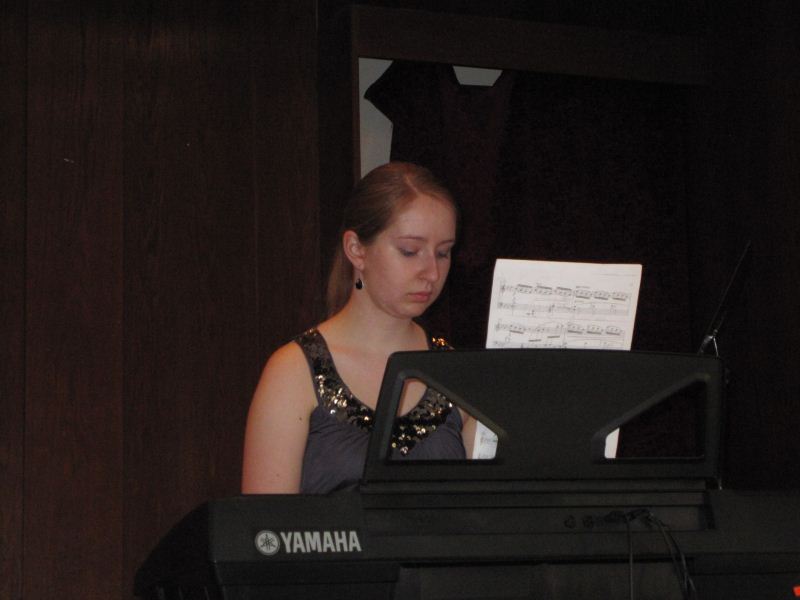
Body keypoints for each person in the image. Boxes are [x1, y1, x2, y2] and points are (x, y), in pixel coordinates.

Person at [241, 162, 475, 494]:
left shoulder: (457, 373)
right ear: (356, 250)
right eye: (410, 251)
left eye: (443, 253)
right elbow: (265, 523)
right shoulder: (293, 371)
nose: (432, 273)